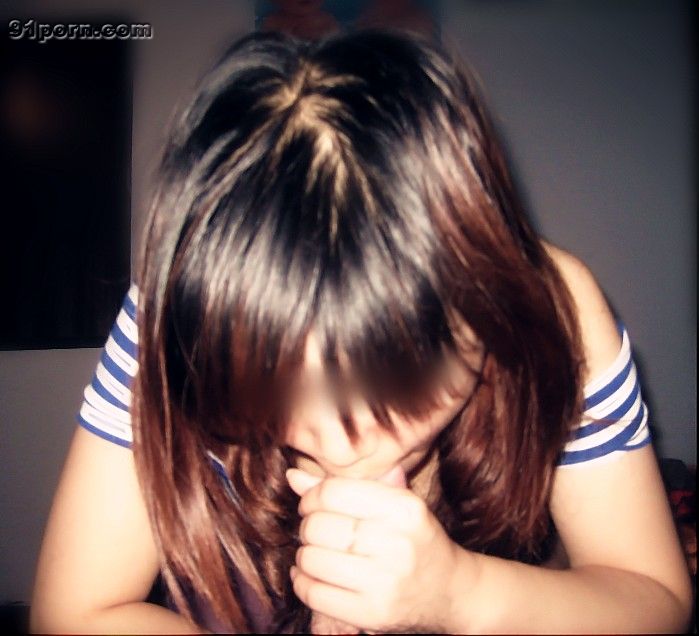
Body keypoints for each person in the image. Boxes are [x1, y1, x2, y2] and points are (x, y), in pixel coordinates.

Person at [30, 29, 692, 634]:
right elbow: (73, 614)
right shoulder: (178, 308)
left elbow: (656, 600)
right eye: (274, 391)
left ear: (485, 306)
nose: (341, 452)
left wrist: (462, 595)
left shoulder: (555, 309)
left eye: (397, 384)